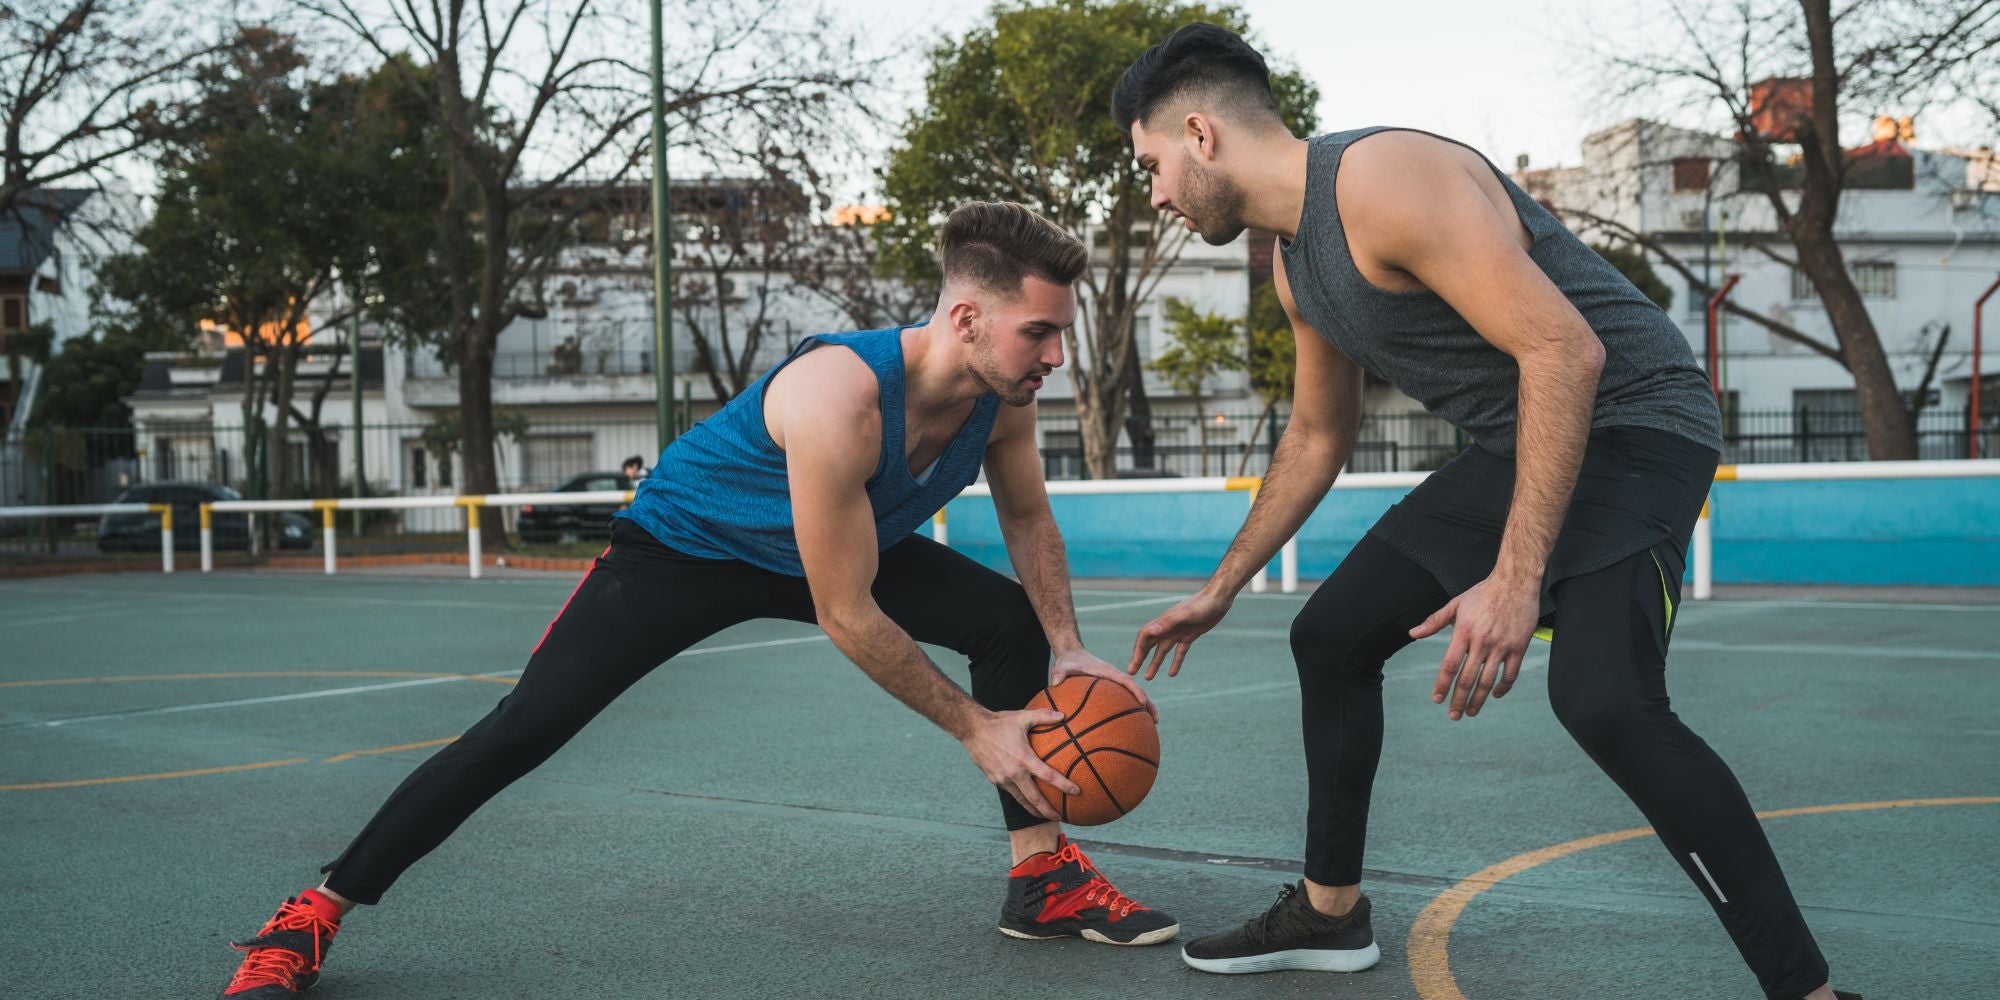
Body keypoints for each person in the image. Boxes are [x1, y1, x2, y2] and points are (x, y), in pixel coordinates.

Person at [216, 201, 1179, 999]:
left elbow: (1029, 519)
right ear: (968, 318)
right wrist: (978, 727)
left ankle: (1041, 878)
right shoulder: (838, 397)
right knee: (523, 728)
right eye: (1040, 331)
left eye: (1059, 333)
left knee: (1006, 619)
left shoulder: (1003, 398)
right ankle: (316, 913)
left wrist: (1066, 649)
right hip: (685, 548)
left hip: (834, 543)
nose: (1054, 354)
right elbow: (848, 614)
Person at [1113, 23, 1854, 1000]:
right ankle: (1329, 913)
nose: (1154, 193)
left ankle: (1805, 990)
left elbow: (1566, 353)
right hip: (1529, 440)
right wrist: (1219, 586)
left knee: (1601, 699)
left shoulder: (1385, 180)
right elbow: (1315, 438)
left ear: (1199, 133)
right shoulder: (1295, 265)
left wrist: (1514, 578)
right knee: (1329, 635)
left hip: (1638, 424)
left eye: (1150, 164)